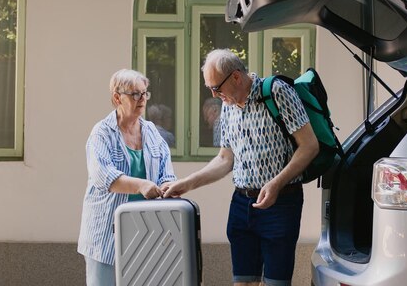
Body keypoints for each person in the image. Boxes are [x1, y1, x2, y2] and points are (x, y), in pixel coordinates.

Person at [163, 49, 319, 286]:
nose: (215, 95)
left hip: (281, 204)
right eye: (210, 89)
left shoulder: (276, 92)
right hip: (241, 204)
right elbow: (226, 159)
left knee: (276, 283)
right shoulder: (228, 105)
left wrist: (276, 183)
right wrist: (187, 183)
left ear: (236, 77)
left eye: (216, 88)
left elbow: (309, 146)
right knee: (243, 283)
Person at [78, 69, 176, 286]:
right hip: (106, 235)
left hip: (146, 233)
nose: (142, 100)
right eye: (135, 94)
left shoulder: (152, 132)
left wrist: (169, 186)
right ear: (116, 97)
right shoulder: (101, 133)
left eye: (144, 94)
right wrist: (141, 185)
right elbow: (105, 178)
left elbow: (167, 174)